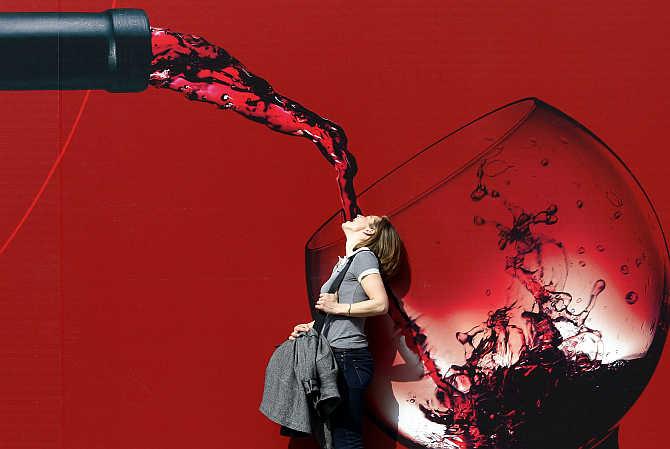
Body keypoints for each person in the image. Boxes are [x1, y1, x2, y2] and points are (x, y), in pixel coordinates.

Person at [288, 214, 403, 449]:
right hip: (332, 356)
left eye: (366, 216)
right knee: (330, 437)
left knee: (345, 439)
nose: (358, 214)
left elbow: (381, 304)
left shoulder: (364, 257)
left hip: (347, 358)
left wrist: (338, 307)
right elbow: (335, 314)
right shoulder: (347, 262)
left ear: (370, 232)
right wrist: (310, 327)